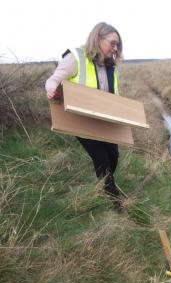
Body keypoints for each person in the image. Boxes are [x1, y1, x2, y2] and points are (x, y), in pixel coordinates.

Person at [45, 22, 125, 210]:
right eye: (112, 43)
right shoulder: (76, 58)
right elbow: (53, 80)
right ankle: (114, 199)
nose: (115, 49)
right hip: (81, 121)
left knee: (113, 156)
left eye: (117, 45)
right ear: (98, 38)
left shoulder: (110, 65)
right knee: (101, 158)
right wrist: (51, 91)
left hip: (105, 120)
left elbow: (114, 93)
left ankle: (105, 183)